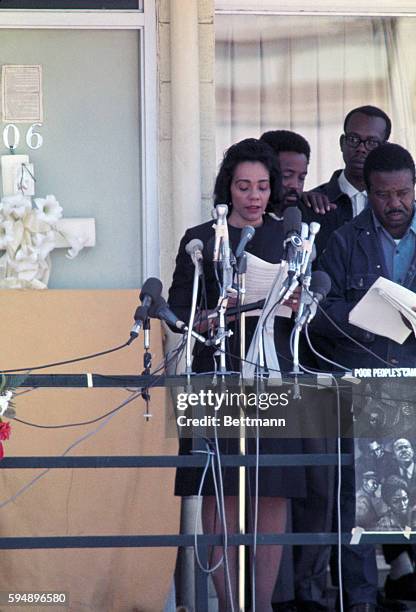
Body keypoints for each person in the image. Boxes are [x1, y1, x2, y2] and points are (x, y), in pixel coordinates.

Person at [168, 138, 306, 611]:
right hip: (218, 373)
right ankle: (227, 602)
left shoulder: (290, 237)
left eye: (263, 187)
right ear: (228, 187)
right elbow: (177, 315)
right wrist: (214, 314)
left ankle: (262, 604)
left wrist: (296, 304)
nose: (254, 197)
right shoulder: (201, 239)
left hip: (272, 373)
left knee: (273, 489)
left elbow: (313, 303)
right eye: (244, 186)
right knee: (221, 487)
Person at [314, 142, 416, 606]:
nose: (394, 205)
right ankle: (358, 601)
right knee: (361, 498)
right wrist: (365, 314)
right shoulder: (343, 239)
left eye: (403, 194)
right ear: (367, 192)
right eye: (383, 195)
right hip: (366, 382)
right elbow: (317, 312)